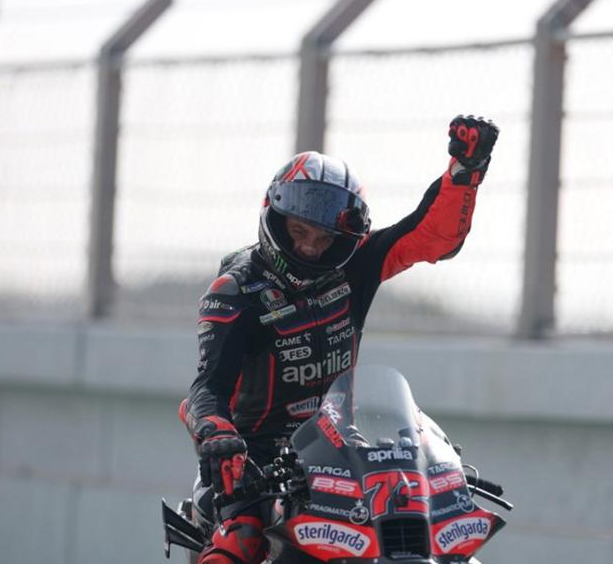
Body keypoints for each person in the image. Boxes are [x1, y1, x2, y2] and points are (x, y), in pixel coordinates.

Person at [179, 115, 499, 564]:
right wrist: (218, 437)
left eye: (324, 237)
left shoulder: (357, 266)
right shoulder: (235, 291)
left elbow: (432, 236)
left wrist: (465, 170)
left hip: (347, 457)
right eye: (300, 232)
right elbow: (205, 391)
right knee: (241, 541)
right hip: (255, 466)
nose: (311, 247)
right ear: (275, 216)